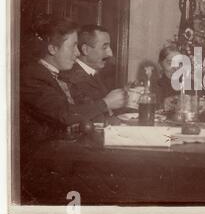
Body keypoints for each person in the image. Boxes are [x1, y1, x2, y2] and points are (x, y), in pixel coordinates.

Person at [20, 19, 127, 148]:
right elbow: (64, 115)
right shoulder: (32, 76)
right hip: (45, 155)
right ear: (53, 49)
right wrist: (106, 103)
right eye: (73, 46)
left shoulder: (54, 74)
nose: (77, 53)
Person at [60, 24, 126, 122]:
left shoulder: (94, 73)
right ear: (85, 50)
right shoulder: (70, 77)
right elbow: (75, 115)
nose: (110, 53)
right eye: (104, 47)